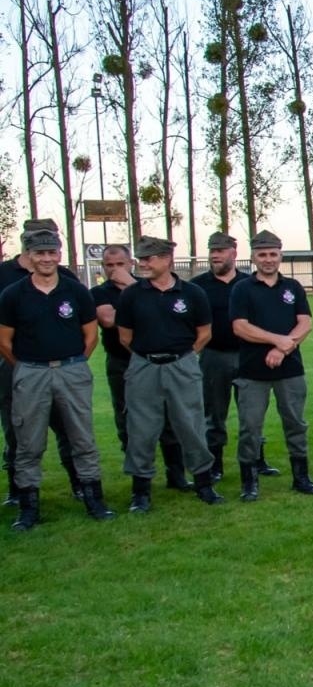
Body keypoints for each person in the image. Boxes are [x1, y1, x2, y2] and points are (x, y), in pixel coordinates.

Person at [0, 228, 115, 527]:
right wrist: (28, 367)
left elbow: (90, 335)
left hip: (72, 370)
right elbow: (4, 341)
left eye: (52, 252)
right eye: (40, 253)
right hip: (30, 373)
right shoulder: (13, 295)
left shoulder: (75, 290)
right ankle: (29, 509)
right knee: (29, 442)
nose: (47, 258)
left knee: (82, 438)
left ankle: (94, 500)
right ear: (29, 256)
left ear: (59, 255)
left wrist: (73, 364)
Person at [116, 236, 223, 510]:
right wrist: (148, 357)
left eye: (149, 259)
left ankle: (203, 483)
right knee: (141, 428)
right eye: (141, 259)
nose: (143, 264)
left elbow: (204, 333)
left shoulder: (192, 293)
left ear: (167, 259)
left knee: (191, 425)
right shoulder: (131, 295)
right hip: (144, 366)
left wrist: (184, 359)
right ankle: (140, 492)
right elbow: (125, 336)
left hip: (182, 365)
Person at [229, 230, 313, 501]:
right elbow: (240, 327)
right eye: (262, 254)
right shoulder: (242, 288)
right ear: (253, 257)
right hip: (252, 371)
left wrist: (284, 348)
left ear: (280, 255)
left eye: (273, 254)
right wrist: (278, 341)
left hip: (290, 369)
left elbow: (305, 323)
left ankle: (301, 477)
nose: (268, 259)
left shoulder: (292, 287)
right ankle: (249, 481)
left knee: (296, 423)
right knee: (250, 427)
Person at [0, 218, 85, 505]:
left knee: (69, 429)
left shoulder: (67, 279)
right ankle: (18, 492)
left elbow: (86, 330)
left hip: (65, 369)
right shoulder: (5, 276)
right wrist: (21, 364)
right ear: (25, 241)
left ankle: (80, 484)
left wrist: (74, 363)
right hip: (18, 369)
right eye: (36, 241)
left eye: (50, 241)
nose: (45, 252)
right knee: (19, 431)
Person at [91, 244, 189, 487]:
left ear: (131, 264)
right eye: (109, 265)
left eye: (120, 264)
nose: (114, 270)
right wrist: (131, 291)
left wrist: (131, 286)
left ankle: (176, 475)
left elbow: (162, 315)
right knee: (129, 420)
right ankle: (140, 479)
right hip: (122, 363)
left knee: (169, 416)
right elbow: (109, 319)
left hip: (159, 362)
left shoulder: (148, 286)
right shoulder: (100, 292)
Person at [191, 231, 278, 483]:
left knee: (252, 413)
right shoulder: (198, 286)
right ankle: (215, 463)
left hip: (248, 355)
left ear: (233, 253)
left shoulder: (249, 284)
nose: (215, 255)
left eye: (220, 250)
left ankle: (257, 459)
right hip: (213, 356)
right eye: (212, 250)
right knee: (214, 413)